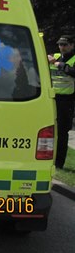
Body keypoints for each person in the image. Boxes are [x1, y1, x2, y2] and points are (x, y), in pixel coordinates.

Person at [48, 34, 75, 169]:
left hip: (66, 101)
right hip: (52, 98)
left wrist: (58, 64)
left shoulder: (72, 59)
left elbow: (72, 71)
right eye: (60, 44)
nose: (62, 47)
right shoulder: (55, 57)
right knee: (48, 130)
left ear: (72, 45)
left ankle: (59, 163)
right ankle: (48, 160)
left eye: (65, 45)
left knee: (62, 133)